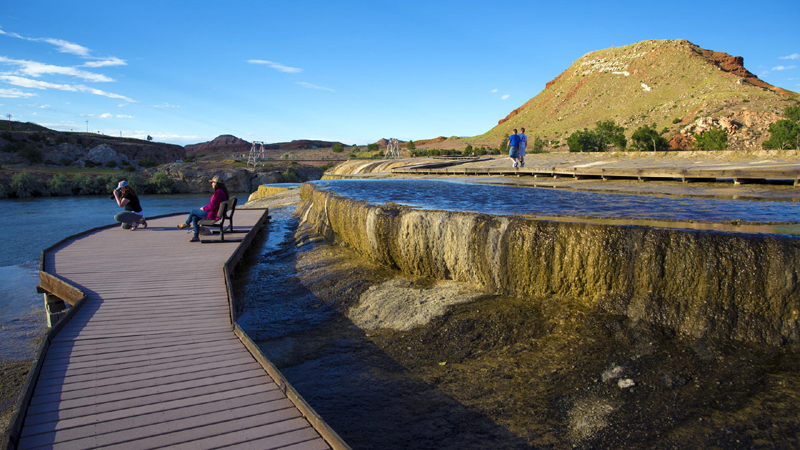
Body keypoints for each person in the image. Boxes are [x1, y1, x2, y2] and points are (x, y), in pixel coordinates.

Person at [178, 175, 229, 242]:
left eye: (213, 182)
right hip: (217, 212)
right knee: (194, 217)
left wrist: (204, 208)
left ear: (216, 183)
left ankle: (186, 223)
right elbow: (214, 205)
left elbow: (212, 206)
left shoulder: (218, 193)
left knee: (193, 211)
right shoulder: (222, 191)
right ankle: (196, 236)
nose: (212, 184)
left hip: (213, 214)